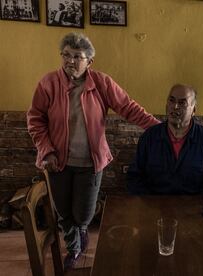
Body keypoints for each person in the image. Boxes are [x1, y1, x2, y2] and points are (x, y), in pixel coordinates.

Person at [27, 32, 160, 272]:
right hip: (59, 162)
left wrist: (159, 129)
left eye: (77, 56)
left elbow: (128, 108)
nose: (70, 61)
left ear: (90, 61)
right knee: (64, 212)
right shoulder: (48, 83)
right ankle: (75, 247)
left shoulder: (101, 83)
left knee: (83, 214)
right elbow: (35, 119)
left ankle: (81, 230)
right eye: (66, 55)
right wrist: (46, 151)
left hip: (90, 163)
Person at [127, 84, 203, 195]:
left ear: (194, 110)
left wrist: (196, 208)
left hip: (194, 208)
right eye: (171, 100)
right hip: (154, 208)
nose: (175, 107)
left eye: (182, 103)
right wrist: (150, 206)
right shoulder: (149, 138)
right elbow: (134, 178)